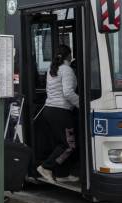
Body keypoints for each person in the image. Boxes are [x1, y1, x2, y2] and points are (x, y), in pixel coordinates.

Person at [36, 45, 79, 183]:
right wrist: (82, 104)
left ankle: (62, 173)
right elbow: (67, 93)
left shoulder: (52, 69)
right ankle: (45, 167)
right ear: (69, 56)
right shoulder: (67, 70)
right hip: (61, 111)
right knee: (69, 144)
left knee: (60, 143)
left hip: (50, 110)